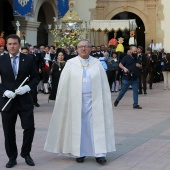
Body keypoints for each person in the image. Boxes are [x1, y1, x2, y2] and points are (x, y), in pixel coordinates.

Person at [44, 39, 116, 165]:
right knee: (79, 126)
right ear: (77, 49)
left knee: (96, 125)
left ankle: (99, 153)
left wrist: (104, 100)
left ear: (90, 49)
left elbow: (104, 84)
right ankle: (80, 152)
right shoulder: (71, 64)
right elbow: (64, 85)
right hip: (75, 100)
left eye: (86, 47)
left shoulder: (97, 63)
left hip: (95, 100)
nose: (83, 49)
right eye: (81, 47)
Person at [0, 34, 39, 168]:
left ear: (19, 45)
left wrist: (28, 87)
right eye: (9, 44)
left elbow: (35, 77)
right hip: (7, 101)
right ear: (6, 45)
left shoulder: (28, 59)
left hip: (24, 101)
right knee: (8, 131)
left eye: (14, 43)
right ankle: (12, 157)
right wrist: (5, 91)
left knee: (29, 128)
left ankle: (26, 153)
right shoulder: (1, 60)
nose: (12, 46)